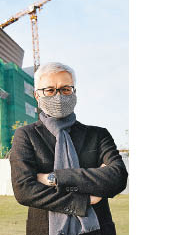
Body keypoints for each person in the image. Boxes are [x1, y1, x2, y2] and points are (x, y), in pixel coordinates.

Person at [9, 62, 128, 235]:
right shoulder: (26, 135)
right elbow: (24, 190)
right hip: (45, 229)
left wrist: (55, 178)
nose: (58, 96)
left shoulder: (98, 135)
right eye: (50, 90)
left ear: (74, 92)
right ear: (37, 95)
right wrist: (84, 200)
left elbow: (117, 178)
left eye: (65, 89)